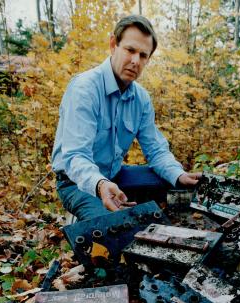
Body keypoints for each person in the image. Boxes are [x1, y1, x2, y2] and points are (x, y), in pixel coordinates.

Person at [52, 15, 201, 221]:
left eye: (143, 55)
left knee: (176, 183)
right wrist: (100, 184)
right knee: (113, 228)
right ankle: (92, 216)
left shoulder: (141, 99)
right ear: (113, 44)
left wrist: (178, 174)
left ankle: (181, 223)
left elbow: (155, 149)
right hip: (76, 182)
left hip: (115, 175)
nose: (135, 61)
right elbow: (75, 156)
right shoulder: (85, 89)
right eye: (130, 50)